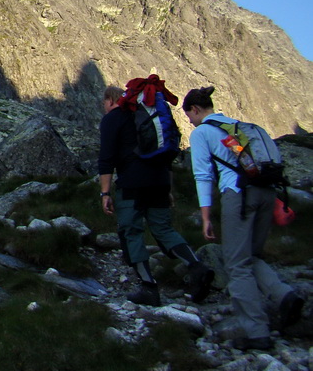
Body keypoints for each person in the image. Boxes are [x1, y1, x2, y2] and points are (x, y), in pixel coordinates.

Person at [183, 86, 305, 351]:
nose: (189, 122)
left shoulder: (202, 132)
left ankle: (256, 331)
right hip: (266, 194)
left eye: (189, 116)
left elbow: (203, 175)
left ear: (195, 109)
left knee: (236, 263)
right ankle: (284, 296)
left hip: (239, 196)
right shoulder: (238, 127)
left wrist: (206, 217)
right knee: (252, 256)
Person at [98, 84, 213, 307]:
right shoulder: (149, 116)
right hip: (159, 181)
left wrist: (105, 192)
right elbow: (165, 155)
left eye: (104, 103)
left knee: (131, 231)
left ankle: (149, 287)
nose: (104, 107)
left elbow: (106, 158)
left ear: (110, 101)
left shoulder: (113, 119)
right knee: (163, 228)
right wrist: (168, 189)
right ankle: (197, 266)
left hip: (132, 183)